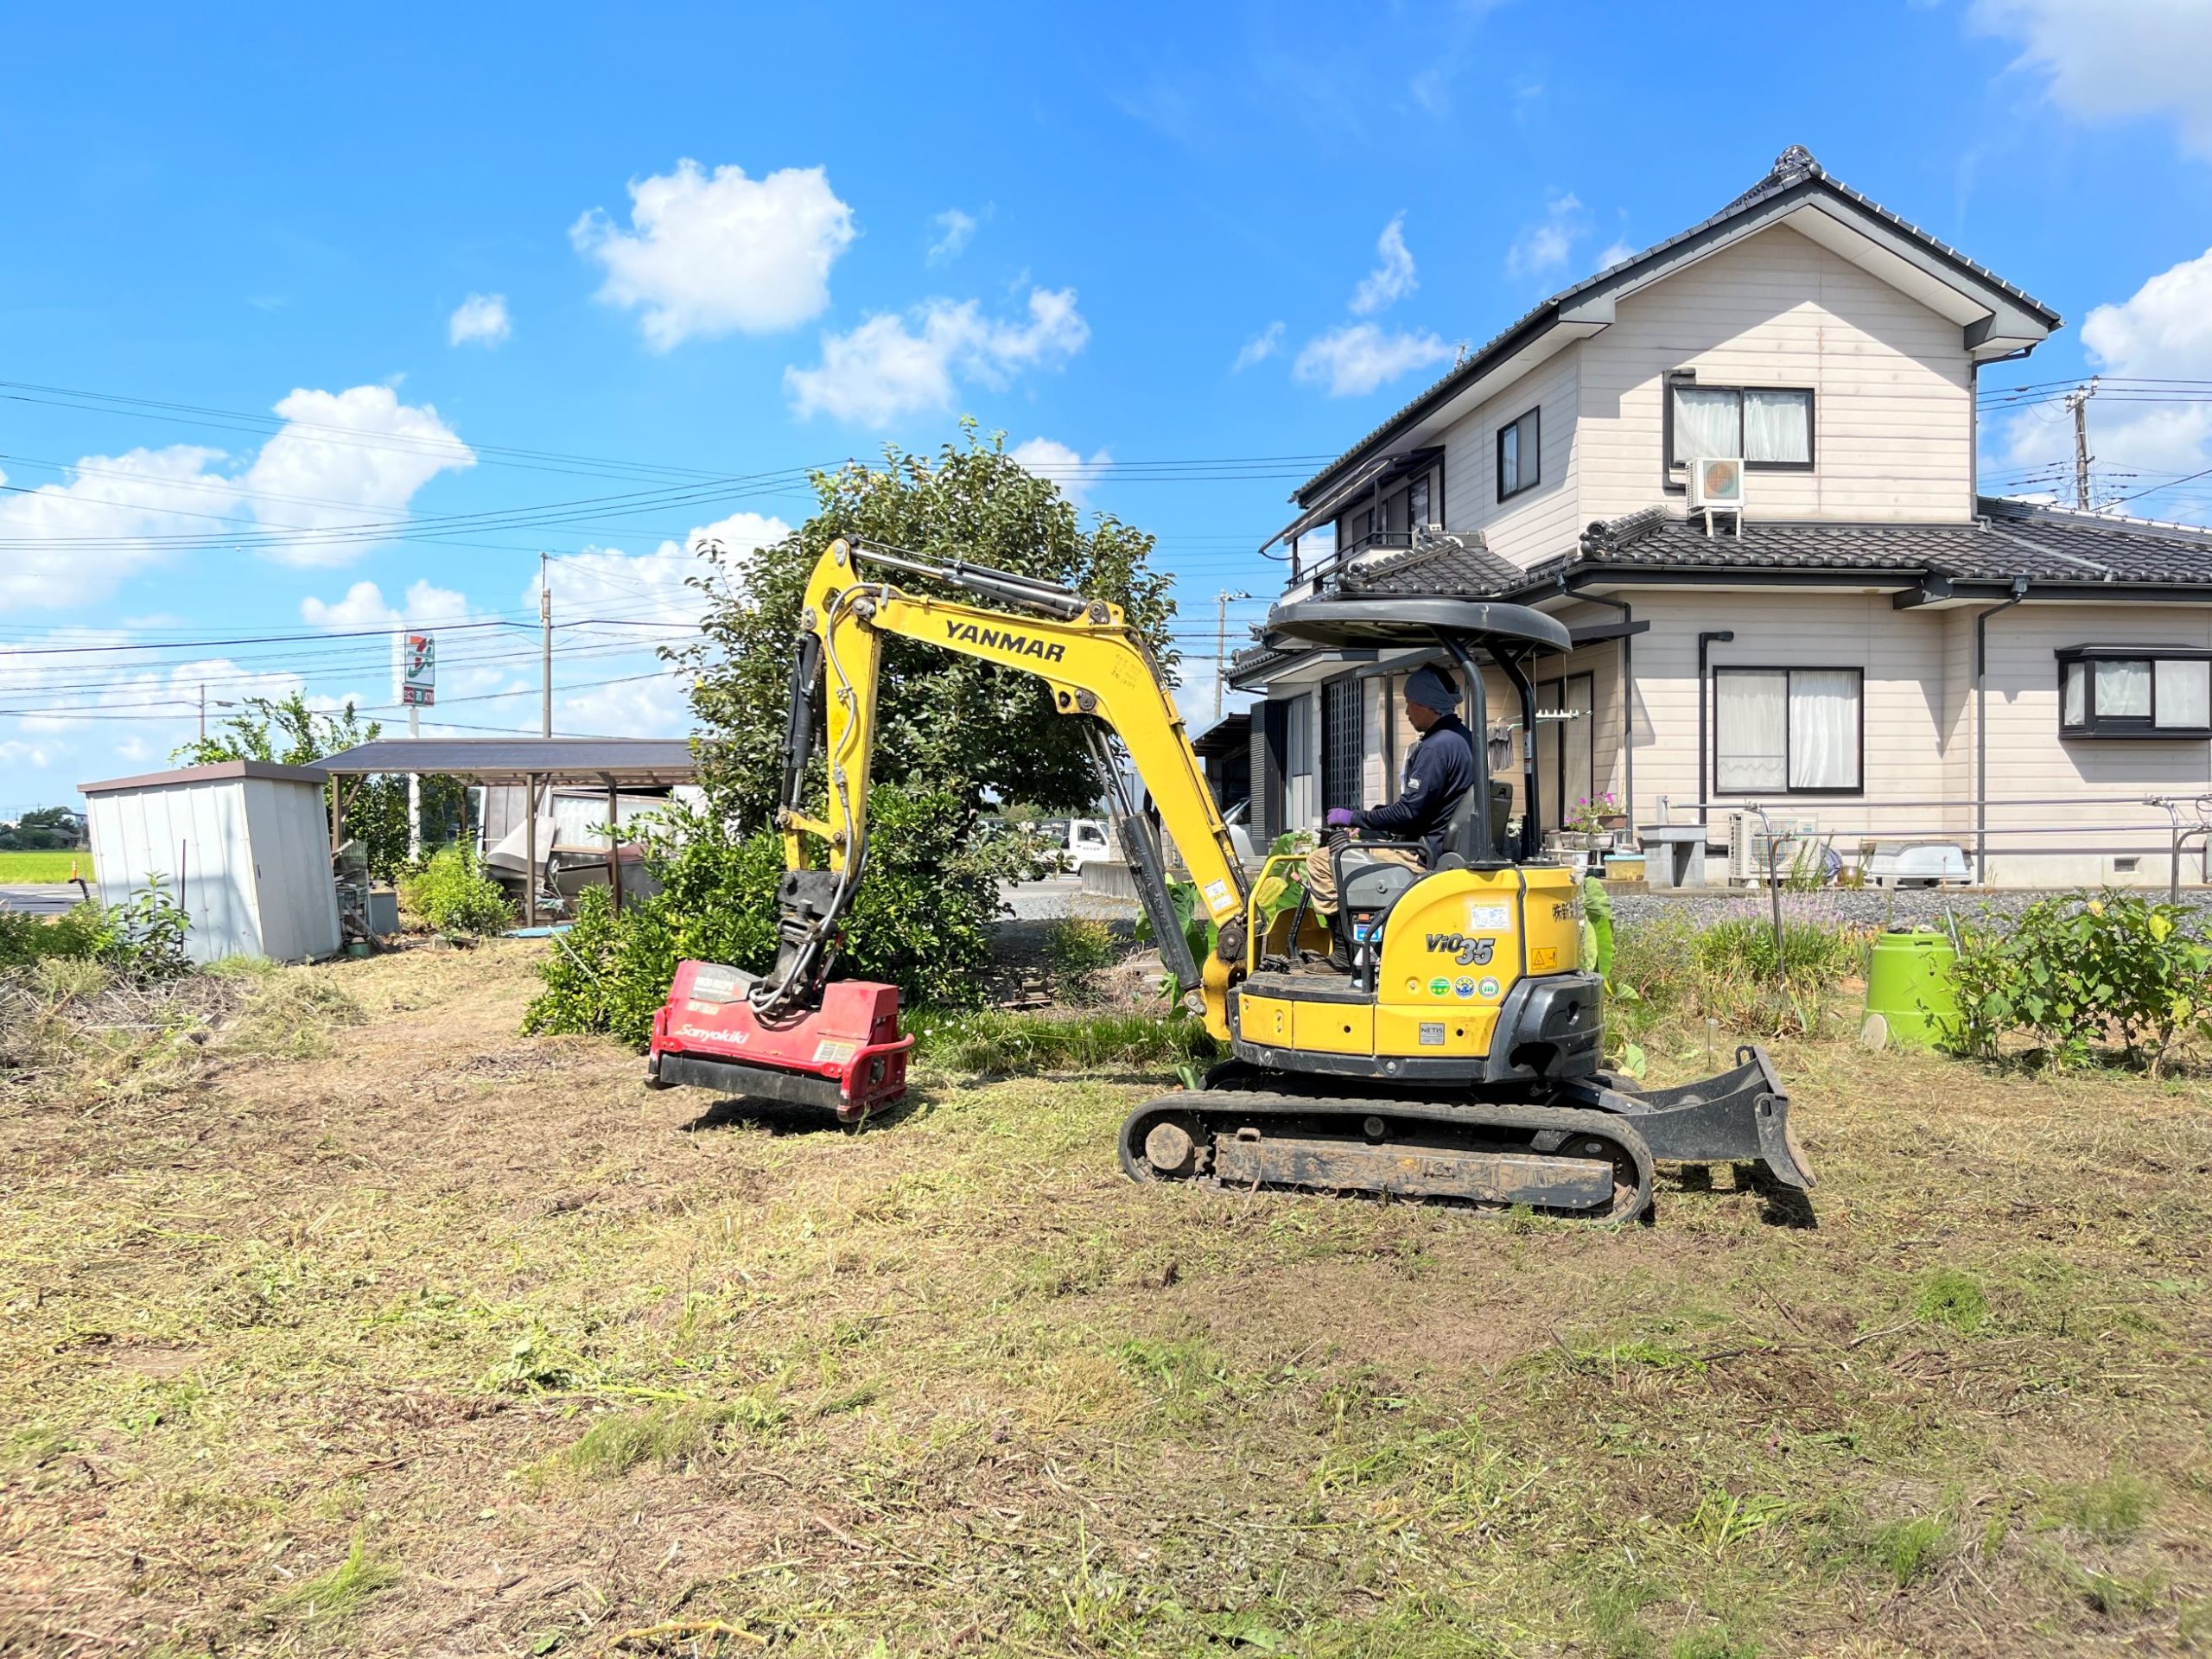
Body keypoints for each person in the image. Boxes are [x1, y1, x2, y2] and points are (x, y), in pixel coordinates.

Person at [1302, 665, 1477, 963]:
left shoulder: (1436, 747)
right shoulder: (1465, 738)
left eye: (1411, 703)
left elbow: (1410, 812)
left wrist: (1353, 818)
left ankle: (1348, 954)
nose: (1407, 712)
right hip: (1440, 844)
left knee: (1321, 862)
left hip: (1420, 855)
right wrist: (1377, 819)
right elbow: (1425, 807)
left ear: (1428, 704)